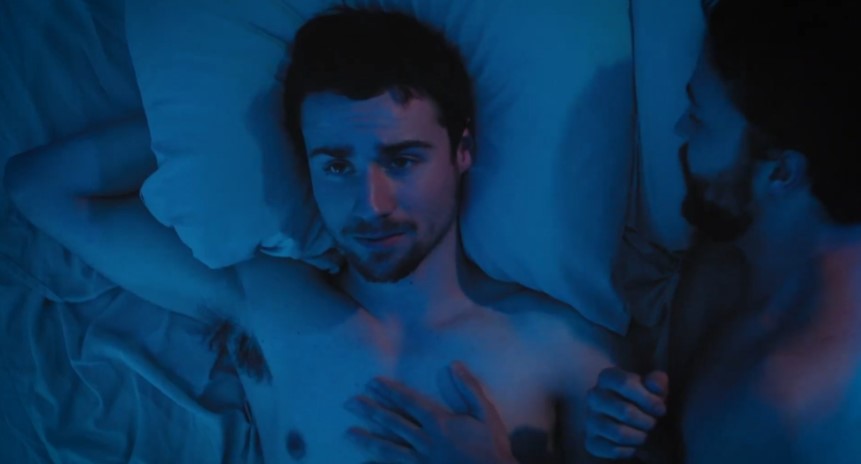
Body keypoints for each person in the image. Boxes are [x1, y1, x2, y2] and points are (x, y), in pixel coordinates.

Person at [5, 7, 623, 463]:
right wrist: (203, 129)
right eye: (336, 165)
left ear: (463, 152)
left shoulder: (562, 345)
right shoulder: (267, 302)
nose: (370, 204)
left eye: (402, 159)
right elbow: (42, 189)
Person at [584, 0, 861, 462]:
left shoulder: (782, 396)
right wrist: (635, 431)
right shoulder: (729, 246)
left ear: (781, 173)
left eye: (699, 120)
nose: (680, 130)